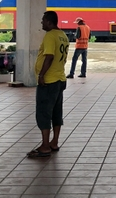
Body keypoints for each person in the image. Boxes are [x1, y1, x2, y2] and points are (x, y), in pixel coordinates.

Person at [28, 11, 69, 158]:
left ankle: (45, 145)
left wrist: (41, 75)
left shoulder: (50, 35)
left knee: (44, 112)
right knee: (56, 112)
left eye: (43, 21)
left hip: (49, 81)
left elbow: (49, 56)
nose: (41, 23)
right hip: (60, 79)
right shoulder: (63, 35)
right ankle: (54, 142)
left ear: (50, 22)